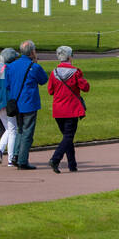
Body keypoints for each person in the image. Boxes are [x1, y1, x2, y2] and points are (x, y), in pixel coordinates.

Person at [4, 39, 48, 169]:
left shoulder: (11, 66)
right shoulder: (34, 67)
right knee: (27, 132)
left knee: (20, 130)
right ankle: (22, 160)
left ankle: (16, 155)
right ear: (32, 52)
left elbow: (7, 84)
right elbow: (43, 80)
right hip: (29, 103)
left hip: (16, 103)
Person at [47, 45, 90, 174]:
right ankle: (55, 159)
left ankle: (72, 165)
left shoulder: (54, 72)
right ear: (70, 56)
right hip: (71, 109)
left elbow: (50, 91)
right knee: (68, 137)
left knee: (67, 138)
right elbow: (85, 87)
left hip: (58, 110)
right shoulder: (76, 72)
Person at [0, 47, 20, 165]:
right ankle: (11, 159)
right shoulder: (10, 69)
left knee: (8, 129)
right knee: (13, 130)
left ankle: (0, 149)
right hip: (8, 103)